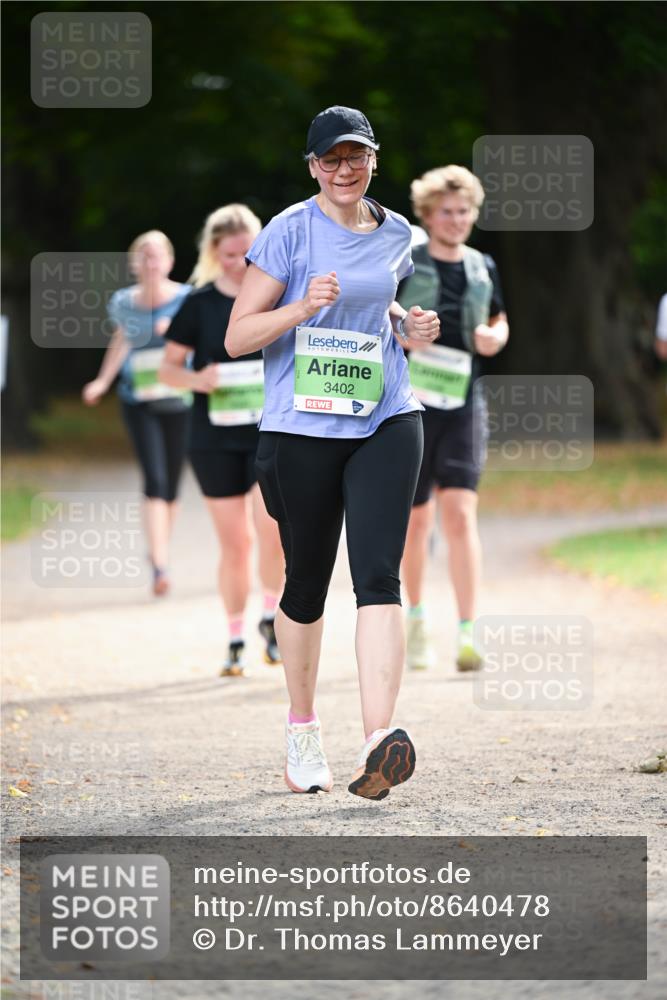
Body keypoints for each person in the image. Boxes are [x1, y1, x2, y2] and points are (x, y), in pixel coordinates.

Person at [225, 106, 440, 799]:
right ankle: (301, 728)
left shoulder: (398, 232)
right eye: (330, 159)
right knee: (306, 583)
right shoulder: (287, 231)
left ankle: (379, 739)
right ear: (312, 166)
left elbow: (379, 308)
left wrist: (409, 324)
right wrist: (298, 309)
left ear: (374, 159)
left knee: (379, 574)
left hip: (386, 415)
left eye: (356, 156)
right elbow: (237, 337)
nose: (344, 170)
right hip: (301, 428)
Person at [158, 205, 284, 677]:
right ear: (215, 253)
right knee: (235, 544)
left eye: (249, 251)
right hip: (213, 439)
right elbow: (167, 368)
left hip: (269, 433)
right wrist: (198, 380)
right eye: (230, 254)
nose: (241, 261)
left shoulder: (279, 296)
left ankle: (271, 618)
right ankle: (234, 638)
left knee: (272, 531)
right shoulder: (199, 303)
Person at [398, 165, 509, 672]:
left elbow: (497, 318)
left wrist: (496, 336)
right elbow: (381, 315)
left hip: (464, 398)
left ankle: (468, 631)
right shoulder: (406, 260)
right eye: (446, 211)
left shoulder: (483, 264)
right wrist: (404, 337)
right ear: (427, 214)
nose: (456, 220)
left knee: (461, 514)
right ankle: (415, 623)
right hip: (411, 399)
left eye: (464, 211)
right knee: (417, 521)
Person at [82, 231, 191, 596]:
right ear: (133, 263)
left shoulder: (186, 299)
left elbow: (203, 343)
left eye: (156, 255)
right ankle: (160, 564)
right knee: (155, 479)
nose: (150, 262)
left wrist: (174, 334)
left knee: (172, 486)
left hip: (179, 399)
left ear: (170, 261)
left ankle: (160, 547)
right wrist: (101, 381)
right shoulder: (123, 303)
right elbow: (121, 340)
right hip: (138, 399)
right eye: (143, 255)